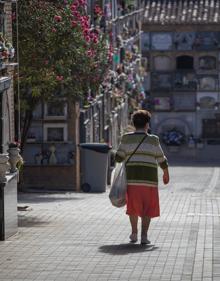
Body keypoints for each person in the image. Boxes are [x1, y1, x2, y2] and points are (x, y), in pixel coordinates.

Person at [115, 110, 169, 244]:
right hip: (150, 181)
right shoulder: (153, 139)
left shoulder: (126, 138)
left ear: (133, 124)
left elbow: (118, 158)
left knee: (133, 207)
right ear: (147, 125)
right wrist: (166, 173)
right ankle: (144, 236)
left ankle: (134, 233)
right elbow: (161, 159)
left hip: (132, 180)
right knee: (148, 208)